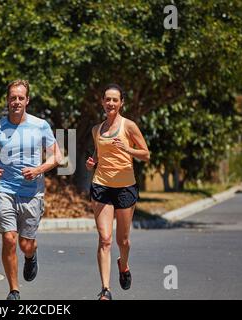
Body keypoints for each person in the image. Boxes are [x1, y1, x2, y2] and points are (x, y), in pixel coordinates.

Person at [0, 79, 62, 300]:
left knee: (25, 245)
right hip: (5, 190)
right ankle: (14, 290)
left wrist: (38, 169)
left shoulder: (40, 125)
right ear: (7, 100)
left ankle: (31, 256)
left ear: (27, 100)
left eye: (20, 98)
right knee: (9, 239)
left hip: (32, 193)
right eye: (12, 97)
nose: (16, 102)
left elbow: (57, 156)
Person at [85, 83, 150, 300]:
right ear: (102, 102)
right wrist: (91, 163)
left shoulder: (128, 126)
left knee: (123, 241)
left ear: (121, 103)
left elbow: (145, 154)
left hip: (125, 187)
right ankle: (105, 289)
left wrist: (127, 149)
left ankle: (123, 264)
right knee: (105, 239)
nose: (110, 103)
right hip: (101, 185)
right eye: (107, 99)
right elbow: (98, 155)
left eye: (115, 99)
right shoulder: (97, 129)